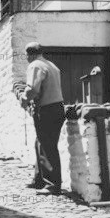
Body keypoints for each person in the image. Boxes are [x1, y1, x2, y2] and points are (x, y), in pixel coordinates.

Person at [20, 42, 65, 196]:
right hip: (57, 107)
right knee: (40, 143)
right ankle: (39, 179)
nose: (26, 58)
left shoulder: (35, 65)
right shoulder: (51, 65)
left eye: (26, 55)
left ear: (30, 54)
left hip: (46, 109)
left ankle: (53, 185)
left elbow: (32, 89)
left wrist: (23, 98)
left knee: (47, 146)